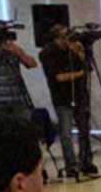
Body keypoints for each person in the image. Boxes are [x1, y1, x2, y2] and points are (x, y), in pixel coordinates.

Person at [38, 25, 93, 179]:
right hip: (62, 97)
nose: (68, 39)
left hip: (79, 95)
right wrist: (78, 74)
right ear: (57, 38)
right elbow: (57, 77)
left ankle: (86, 162)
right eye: (64, 36)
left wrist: (80, 54)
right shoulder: (48, 53)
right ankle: (71, 166)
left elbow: (87, 69)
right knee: (66, 133)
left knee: (84, 129)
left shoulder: (72, 50)